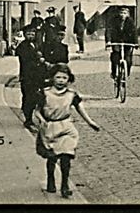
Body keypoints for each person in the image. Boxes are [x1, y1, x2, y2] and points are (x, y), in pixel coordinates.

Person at [33, 63, 101, 199]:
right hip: (50, 128)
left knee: (66, 157)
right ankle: (51, 179)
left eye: (64, 78)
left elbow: (80, 109)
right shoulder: (44, 93)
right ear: (52, 78)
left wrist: (90, 122)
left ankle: (65, 185)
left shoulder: (71, 94)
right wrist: (41, 120)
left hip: (66, 128)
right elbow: (37, 111)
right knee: (51, 157)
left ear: (69, 79)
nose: (61, 81)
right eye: (58, 77)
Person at [16, 25, 48, 130]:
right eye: (28, 34)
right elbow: (26, 61)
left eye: (32, 34)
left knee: (37, 97)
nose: (31, 35)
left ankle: (38, 118)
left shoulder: (37, 44)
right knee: (28, 97)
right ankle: (28, 120)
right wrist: (39, 61)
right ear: (25, 35)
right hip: (27, 76)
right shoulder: (22, 46)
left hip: (37, 76)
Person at [106, 6, 138, 79]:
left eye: (124, 13)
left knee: (128, 60)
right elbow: (109, 30)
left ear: (128, 14)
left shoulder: (130, 22)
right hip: (116, 42)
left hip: (127, 43)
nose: (122, 15)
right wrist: (108, 41)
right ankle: (114, 73)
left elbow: (134, 32)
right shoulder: (114, 21)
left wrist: (135, 43)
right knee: (115, 58)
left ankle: (127, 74)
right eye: (121, 13)